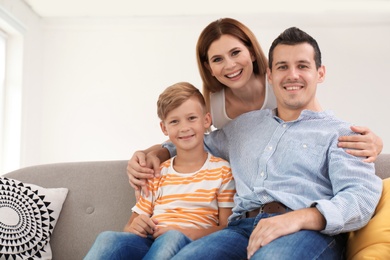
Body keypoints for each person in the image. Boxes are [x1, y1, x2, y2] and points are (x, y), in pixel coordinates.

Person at [141, 27, 383, 259]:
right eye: (282, 67)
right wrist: (153, 155)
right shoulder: (243, 126)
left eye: (302, 66)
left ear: (320, 73)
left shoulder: (343, 133)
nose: (292, 75)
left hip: (305, 232)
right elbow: (192, 143)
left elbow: (360, 197)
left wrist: (299, 218)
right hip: (240, 229)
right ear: (270, 75)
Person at [128, 18, 383, 196]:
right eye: (218, 59)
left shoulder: (281, 83)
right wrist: (152, 154)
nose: (229, 65)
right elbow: (195, 139)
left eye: (235, 52)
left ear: (251, 52)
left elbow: (314, 124)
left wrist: (372, 142)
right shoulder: (213, 104)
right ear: (208, 67)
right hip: (242, 188)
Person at [84, 82, 235, 260]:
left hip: (190, 243)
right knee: (107, 238)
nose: (184, 127)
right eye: (174, 121)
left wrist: (185, 231)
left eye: (191, 118)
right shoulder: (157, 172)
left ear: (206, 120)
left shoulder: (222, 171)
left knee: (172, 237)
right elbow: (129, 226)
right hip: (150, 241)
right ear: (164, 128)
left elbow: (226, 227)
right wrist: (135, 226)